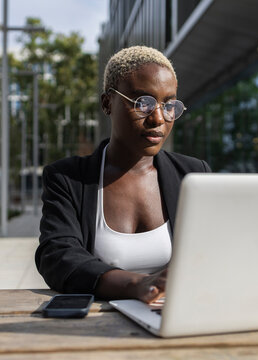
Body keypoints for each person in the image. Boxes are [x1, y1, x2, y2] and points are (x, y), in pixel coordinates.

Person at [35, 46, 211, 303]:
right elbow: (57, 255)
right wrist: (138, 285)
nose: (158, 118)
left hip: (175, 315)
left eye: (169, 104)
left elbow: (215, 250)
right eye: (143, 103)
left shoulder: (193, 175)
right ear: (108, 103)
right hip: (98, 322)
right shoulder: (68, 178)